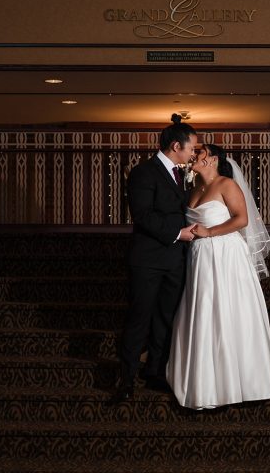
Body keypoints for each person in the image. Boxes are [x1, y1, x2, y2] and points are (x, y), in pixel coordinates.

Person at [166, 144, 270, 410]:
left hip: (226, 254)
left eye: (200, 151)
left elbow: (242, 220)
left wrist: (211, 232)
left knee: (228, 310)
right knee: (204, 310)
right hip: (200, 256)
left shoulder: (226, 184)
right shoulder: (193, 190)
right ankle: (207, 384)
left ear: (213, 159)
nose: (194, 154)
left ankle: (242, 383)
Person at [111, 114, 199, 404]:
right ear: (176, 146)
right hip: (148, 260)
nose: (193, 154)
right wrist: (178, 233)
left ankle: (156, 372)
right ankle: (125, 378)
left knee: (166, 319)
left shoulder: (180, 174)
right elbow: (143, 216)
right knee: (139, 318)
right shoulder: (143, 173)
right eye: (191, 148)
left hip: (175, 261)